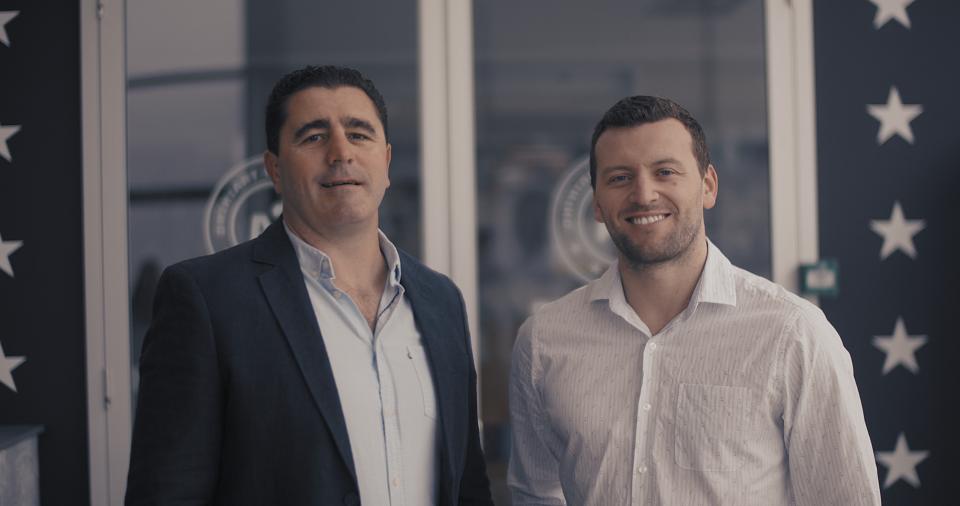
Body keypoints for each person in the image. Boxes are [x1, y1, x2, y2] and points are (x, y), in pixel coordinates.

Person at [126, 65, 492, 506]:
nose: (341, 152)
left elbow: (468, 483)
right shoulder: (206, 299)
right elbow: (167, 493)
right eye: (314, 136)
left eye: (359, 134)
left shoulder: (441, 301)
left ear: (387, 161)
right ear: (275, 169)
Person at [508, 95, 881, 505]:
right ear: (597, 203)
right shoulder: (544, 341)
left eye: (665, 172)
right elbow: (536, 493)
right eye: (619, 178)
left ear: (707, 186)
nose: (644, 194)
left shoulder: (793, 335)